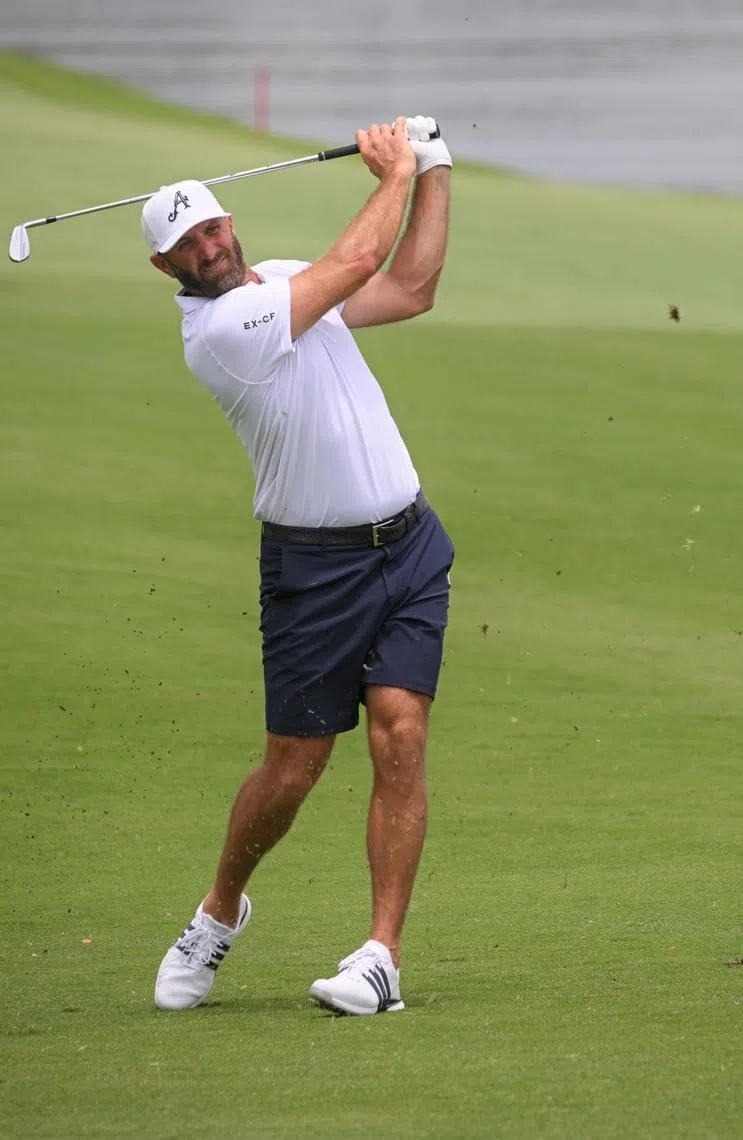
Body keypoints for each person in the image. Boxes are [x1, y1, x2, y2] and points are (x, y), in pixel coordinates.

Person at [145, 116, 454, 1016]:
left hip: (409, 546)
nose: (206, 246)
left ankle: (381, 956)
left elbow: (412, 287)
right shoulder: (223, 332)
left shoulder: (277, 278)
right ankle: (219, 910)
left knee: (402, 733)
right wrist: (392, 170)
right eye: (184, 244)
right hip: (313, 572)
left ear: (228, 222)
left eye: (210, 227)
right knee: (294, 769)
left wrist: (433, 167)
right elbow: (357, 264)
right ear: (165, 270)